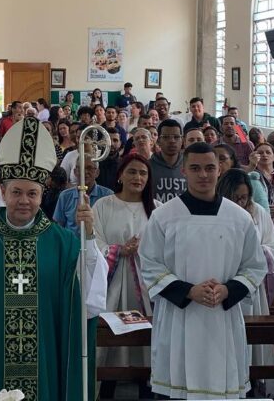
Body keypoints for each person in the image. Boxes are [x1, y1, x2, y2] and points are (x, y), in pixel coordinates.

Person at [0, 117, 106, 399]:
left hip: (45, 355)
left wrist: (89, 236)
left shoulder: (62, 242)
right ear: (3, 193)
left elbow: (88, 295)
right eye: (16, 192)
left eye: (32, 193)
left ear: (42, 195)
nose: (24, 200)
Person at [140, 142, 266, 400]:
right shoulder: (164, 216)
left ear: (220, 169)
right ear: (184, 171)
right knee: (177, 387)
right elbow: (150, 264)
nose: (204, 175)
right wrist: (189, 291)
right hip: (178, 318)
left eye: (210, 168)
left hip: (223, 317)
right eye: (195, 168)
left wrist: (228, 289)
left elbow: (255, 265)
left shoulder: (239, 217)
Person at [92, 154, 155, 394]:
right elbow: (93, 244)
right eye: (132, 172)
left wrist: (144, 250)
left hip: (146, 286)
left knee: (145, 345)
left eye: (143, 173)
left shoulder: (156, 209)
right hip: (113, 286)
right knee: (110, 341)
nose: (137, 177)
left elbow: (166, 249)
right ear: (120, 175)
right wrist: (118, 250)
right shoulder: (104, 205)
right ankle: (106, 389)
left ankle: (146, 389)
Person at [216, 169, 274, 396]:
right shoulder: (215, 212)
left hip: (251, 285)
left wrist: (258, 251)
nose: (240, 203)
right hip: (223, 286)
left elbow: (273, 245)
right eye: (235, 198)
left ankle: (254, 387)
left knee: (251, 340)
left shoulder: (258, 212)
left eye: (244, 197)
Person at [55, 159, 114, 234]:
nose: (85, 172)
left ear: (97, 172)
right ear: (75, 172)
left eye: (89, 168)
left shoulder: (108, 196)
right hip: (72, 244)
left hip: (97, 243)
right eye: (81, 168)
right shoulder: (65, 196)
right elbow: (59, 227)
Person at [150, 119, 188, 203]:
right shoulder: (148, 166)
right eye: (166, 137)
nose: (172, 141)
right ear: (159, 141)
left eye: (176, 137)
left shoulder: (190, 165)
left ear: (182, 140)